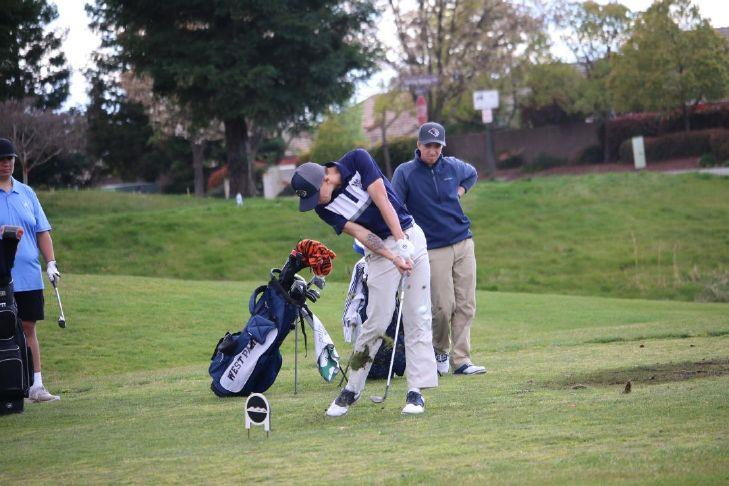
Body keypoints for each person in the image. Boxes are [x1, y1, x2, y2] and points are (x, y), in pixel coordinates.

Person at [291, 148, 437, 416]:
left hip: (409, 234)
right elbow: (361, 232)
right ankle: (352, 389)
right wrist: (393, 256)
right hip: (381, 253)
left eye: (314, 196)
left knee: (417, 315)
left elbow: (382, 200)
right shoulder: (323, 209)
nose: (315, 203)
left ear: (325, 179)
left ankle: (416, 391)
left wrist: (403, 243)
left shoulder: (358, 160)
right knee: (376, 322)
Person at [392, 122, 486, 376]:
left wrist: (461, 190)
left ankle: (462, 359)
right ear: (419, 146)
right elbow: (394, 206)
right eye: (428, 146)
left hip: (463, 241)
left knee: (467, 304)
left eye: (437, 146)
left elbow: (472, 173)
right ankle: (440, 350)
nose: (433, 151)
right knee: (443, 306)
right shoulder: (405, 173)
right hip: (433, 247)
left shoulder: (453, 166)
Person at [0, 138, 61, 402]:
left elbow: (42, 231)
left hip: (29, 274)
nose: (6, 164)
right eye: (2, 160)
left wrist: (51, 262)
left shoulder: (27, 193)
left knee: (28, 327)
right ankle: (11, 386)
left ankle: (35, 386)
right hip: (2, 275)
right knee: (4, 330)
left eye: (10, 159)